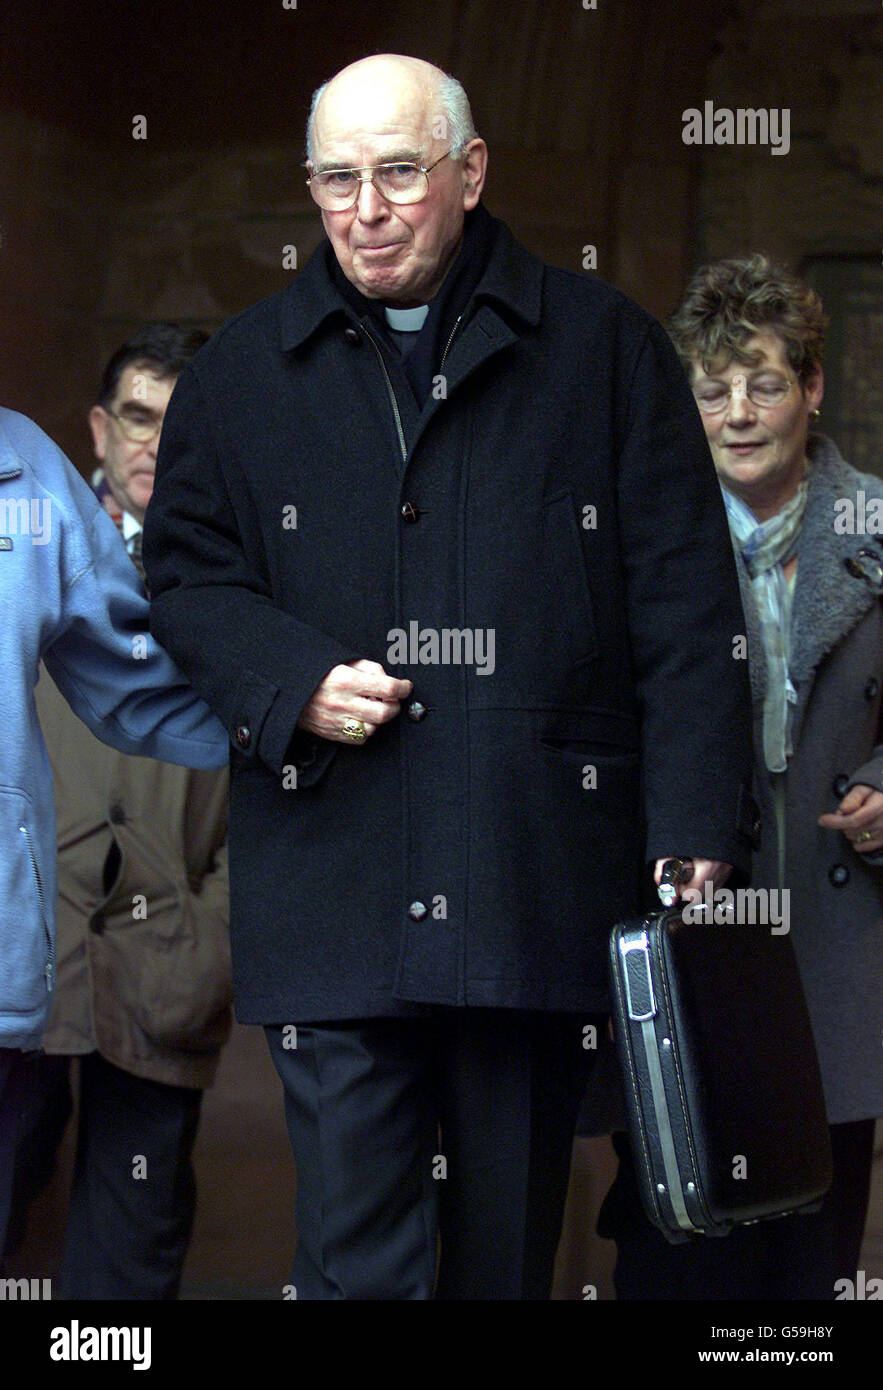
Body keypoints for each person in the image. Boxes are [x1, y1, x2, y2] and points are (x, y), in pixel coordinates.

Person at [142, 54, 757, 1300]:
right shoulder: (239, 374)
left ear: (469, 174)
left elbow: (689, 608)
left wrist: (695, 816)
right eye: (336, 179)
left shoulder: (608, 353)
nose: (365, 208)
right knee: (356, 1259)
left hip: (530, 875)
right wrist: (294, 677)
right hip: (335, 880)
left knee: (501, 1258)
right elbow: (187, 578)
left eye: (398, 172)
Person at [599, 253, 883, 1300]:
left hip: (833, 931)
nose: (737, 410)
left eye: (764, 382)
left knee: (810, 1255)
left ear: (812, 387)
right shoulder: (637, 540)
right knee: (676, 1237)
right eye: (711, 386)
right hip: (692, 931)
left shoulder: (876, 528)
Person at [4, 325, 233, 1300]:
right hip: (36, 954)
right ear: (100, 427)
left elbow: (269, 757)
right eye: (137, 417)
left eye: (179, 425)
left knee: (129, 1263)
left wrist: (222, 928)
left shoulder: (248, 569)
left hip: (166, 960)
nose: (153, 444)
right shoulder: (40, 519)